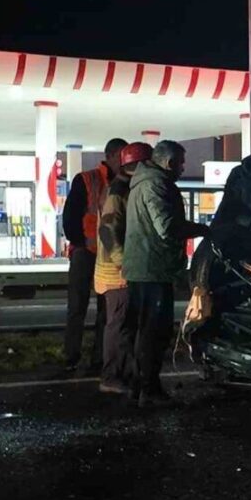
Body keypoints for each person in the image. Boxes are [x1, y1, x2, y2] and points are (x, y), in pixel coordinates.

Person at [123, 140, 208, 407]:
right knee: (154, 332)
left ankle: (139, 386)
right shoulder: (156, 184)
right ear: (170, 163)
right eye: (181, 163)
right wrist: (203, 229)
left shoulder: (144, 182)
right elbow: (167, 227)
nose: (183, 168)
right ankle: (149, 389)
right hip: (153, 269)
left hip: (145, 268)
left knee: (146, 330)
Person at [62, 137, 127, 371]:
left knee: (106, 311)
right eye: (122, 156)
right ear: (110, 156)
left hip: (107, 256)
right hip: (86, 253)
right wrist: (79, 244)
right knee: (78, 307)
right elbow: (70, 217)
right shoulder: (87, 179)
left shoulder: (124, 183)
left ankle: (99, 358)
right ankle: (72, 357)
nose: (125, 161)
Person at [94, 141, 152, 394]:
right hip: (116, 273)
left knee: (126, 326)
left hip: (119, 271)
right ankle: (111, 376)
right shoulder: (119, 190)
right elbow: (108, 231)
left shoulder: (125, 187)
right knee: (117, 327)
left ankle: (125, 375)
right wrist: (124, 264)